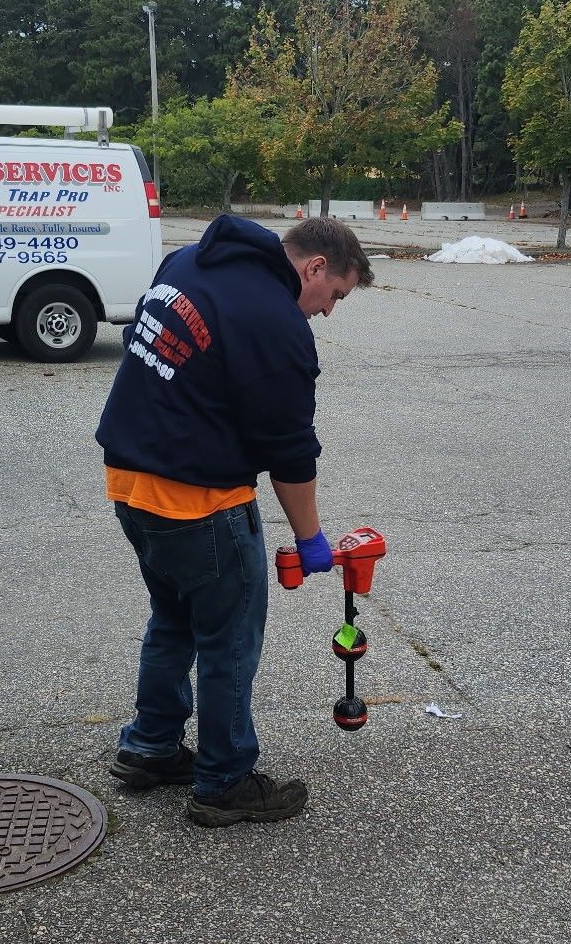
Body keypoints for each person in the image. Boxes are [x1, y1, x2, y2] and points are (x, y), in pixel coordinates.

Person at [96, 212, 374, 827]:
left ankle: (150, 747)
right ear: (315, 268)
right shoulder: (274, 323)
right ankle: (224, 780)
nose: (329, 311)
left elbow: (142, 347)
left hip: (130, 482)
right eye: (335, 296)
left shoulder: (189, 261)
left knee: (174, 619)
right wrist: (312, 539)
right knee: (229, 638)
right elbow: (289, 450)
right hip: (200, 503)